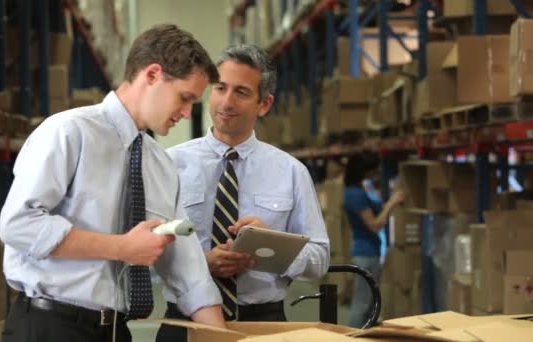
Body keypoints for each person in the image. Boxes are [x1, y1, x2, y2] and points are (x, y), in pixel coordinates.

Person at [0, 24, 226, 342]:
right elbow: (18, 224)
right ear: (152, 75)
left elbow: (187, 268)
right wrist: (122, 248)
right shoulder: (68, 132)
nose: (188, 113)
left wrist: (222, 336)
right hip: (50, 327)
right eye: (184, 98)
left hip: (115, 331)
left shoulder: (160, 165)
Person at [156, 44, 330, 341]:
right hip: (183, 324)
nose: (226, 102)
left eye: (241, 92)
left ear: (264, 104)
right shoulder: (168, 165)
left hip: (263, 324)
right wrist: (201, 263)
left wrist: (273, 247)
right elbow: (146, 246)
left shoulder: (290, 172)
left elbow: (320, 259)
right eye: (220, 88)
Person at [343, 152, 404, 328]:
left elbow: (377, 211)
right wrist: (392, 203)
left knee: (370, 306)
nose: (376, 173)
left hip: (371, 253)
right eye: (373, 170)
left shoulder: (361, 190)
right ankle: (352, 337)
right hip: (365, 254)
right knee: (362, 304)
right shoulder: (355, 194)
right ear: (364, 171)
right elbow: (374, 224)